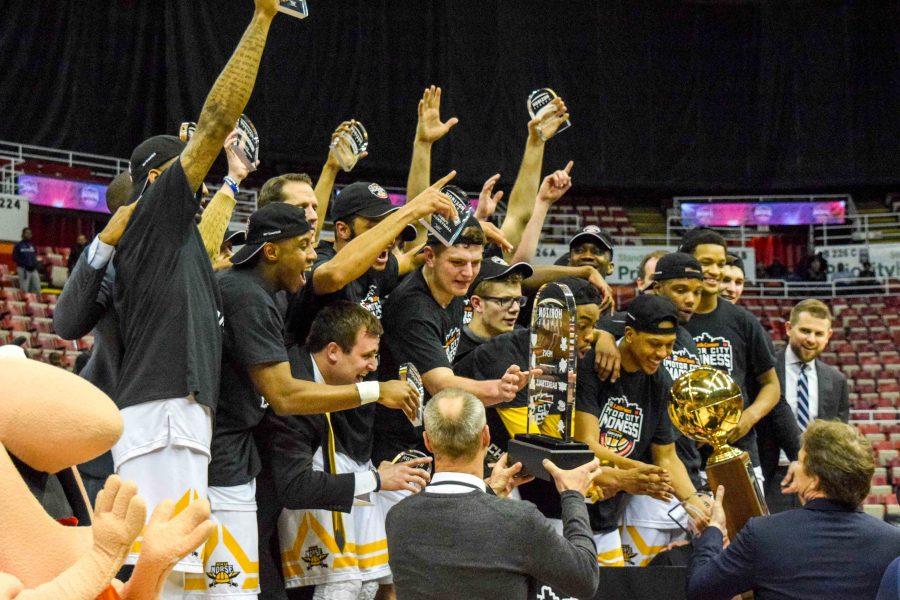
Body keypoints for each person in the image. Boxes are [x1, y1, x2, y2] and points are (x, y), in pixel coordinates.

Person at [109, 2, 283, 594]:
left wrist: (234, 181)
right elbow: (215, 118)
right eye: (191, 169)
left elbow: (204, 244)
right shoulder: (152, 219)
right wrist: (261, 19)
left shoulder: (166, 244)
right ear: (158, 182)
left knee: (180, 576)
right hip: (161, 413)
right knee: (165, 576)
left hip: (169, 415)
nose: (201, 176)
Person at [190, 204, 419, 597]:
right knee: (231, 591)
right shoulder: (249, 296)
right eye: (304, 245)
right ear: (272, 251)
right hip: (222, 453)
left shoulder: (256, 291)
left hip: (229, 450)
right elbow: (283, 396)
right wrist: (376, 392)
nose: (313, 255)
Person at [254, 302, 433, 600]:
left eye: (376, 355)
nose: (374, 366)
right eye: (366, 356)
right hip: (253, 518)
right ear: (334, 351)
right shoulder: (298, 388)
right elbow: (295, 488)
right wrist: (375, 480)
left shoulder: (332, 379)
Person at [386, 388, 600, 600]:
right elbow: (585, 580)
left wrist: (490, 491)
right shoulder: (519, 520)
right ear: (486, 437)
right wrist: (573, 496)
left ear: (428, 441)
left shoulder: (398, 517)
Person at [688, 420, 900, 600]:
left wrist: (713, 530)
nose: (794, 467)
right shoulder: (894, 542)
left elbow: (700, 590)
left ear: (815, 480)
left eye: (799, 460)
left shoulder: (763, 534)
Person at [576, 294, 709, 566]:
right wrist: (637, 471)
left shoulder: (660, 380)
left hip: (606, 516)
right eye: (654, 344)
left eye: (669, 345)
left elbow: (667, 457)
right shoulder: (593, 366)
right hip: (567, 511)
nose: (662, 354)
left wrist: (694, 502)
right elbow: (584, 444)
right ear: (630, 335)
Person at [285, 174, 457, 344]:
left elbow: (412, 260)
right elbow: (334, 276)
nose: (390, 240)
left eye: (389, 229)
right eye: (376, 229)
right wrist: (409, 211)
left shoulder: (377, 267)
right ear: (343, 230)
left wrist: (464, 232)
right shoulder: (316, 260)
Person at [678, 229, 780, 473]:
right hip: (680, 458)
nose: (715, 271)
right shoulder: (672, 318)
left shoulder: (743, 320)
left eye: (720, 263)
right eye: (706, 263)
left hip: (738, 453)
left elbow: (772, 385)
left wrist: (748, 418)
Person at [757, 299, 849, 513]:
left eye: (818, 334)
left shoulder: (837, 380)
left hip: (815, 480)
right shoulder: (764, 370)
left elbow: (838, 437)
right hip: (769, 476)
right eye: (805, 331)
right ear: (789, 328)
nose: (811, 339)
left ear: (829, 336)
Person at [454, 256, 533, 365]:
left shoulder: (525, 342)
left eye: (519, 300)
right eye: (505, 300)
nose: (515, 308)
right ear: (477, 303)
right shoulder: (452, 348)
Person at [12, 227, 40, 294]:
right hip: (23, 269)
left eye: (30, 233)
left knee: (37, 288)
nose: (28, 235)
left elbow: (35, 256)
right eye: (27, 233)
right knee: (24, 289)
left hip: (33, 270)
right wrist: (24, 264)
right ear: (23, 234)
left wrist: (35, 264)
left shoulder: (32, 245)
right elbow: (15, 258)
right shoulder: (18, 245)